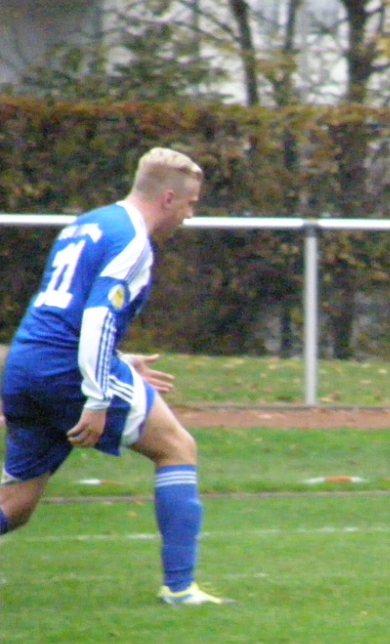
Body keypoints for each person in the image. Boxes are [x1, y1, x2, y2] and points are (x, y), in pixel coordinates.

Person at [0, 147, 231, 606]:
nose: (190, 215)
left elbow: (64, 311)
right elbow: (97, 318)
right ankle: (180, 588)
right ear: (168, 198)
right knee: (176, 447)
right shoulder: (132, 241)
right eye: (190, 203)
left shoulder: (89, 223)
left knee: (16, 504)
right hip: (69, 368)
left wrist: (120, 359)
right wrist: (98, 397)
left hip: (26, 364)